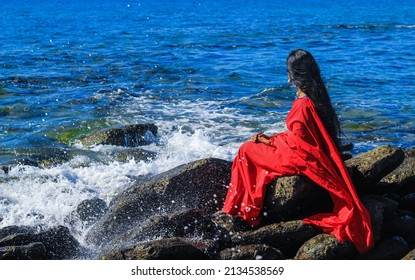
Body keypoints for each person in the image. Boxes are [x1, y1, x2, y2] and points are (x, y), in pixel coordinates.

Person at [221, 49, 374, 254]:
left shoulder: (303, 103)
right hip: (305, 153)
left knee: (246, 149)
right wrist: (273, 139)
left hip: (300, 157)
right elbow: (302, 136)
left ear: (292, 74)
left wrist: (272, 142)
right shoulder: (317, 97)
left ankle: (243, 210)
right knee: (255, 146)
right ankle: (245, 207)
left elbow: (299, 143)